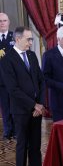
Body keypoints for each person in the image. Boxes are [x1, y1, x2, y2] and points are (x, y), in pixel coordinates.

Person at [0, 26, 46, 166]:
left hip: (36, 111)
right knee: (22, 146)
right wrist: (34, 105)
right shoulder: (7, 60)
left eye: (31, 39)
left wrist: (40, 103)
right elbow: (13, 89)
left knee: (35, 146)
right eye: (29, 39)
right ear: (18, 39)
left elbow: (41, 80)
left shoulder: (31, 56)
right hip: (21, 110)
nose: (31, 42)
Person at [0, 12, 15, 140]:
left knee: (14, 105)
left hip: (14, 79)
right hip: (1, 80)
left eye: (4, 20)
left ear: (8, 22)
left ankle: (16, 130)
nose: (2, 23)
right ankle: (7, 130)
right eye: (0, 21)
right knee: (5, 106)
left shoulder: (14, 37)